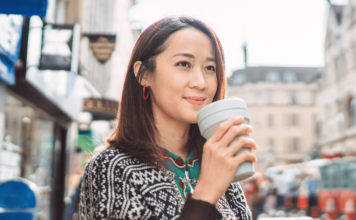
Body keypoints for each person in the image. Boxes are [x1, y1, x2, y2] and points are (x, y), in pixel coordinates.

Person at [79, 17, 257, 220]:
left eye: (210, 68)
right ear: (144, 74)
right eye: (184, 64)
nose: (201, 82)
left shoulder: (221, 170)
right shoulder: (111, 167)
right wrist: (206, 193)